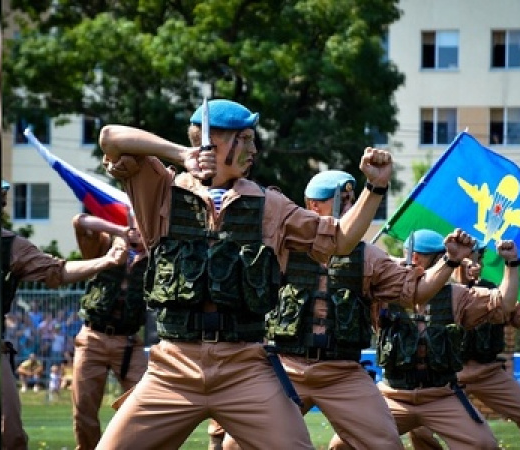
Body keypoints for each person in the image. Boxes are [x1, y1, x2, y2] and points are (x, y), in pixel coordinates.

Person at [95, 98, 393, 449]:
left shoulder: (271, 204)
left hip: (245, 367)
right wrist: (181, 154)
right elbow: (110, 137)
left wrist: (375, 189)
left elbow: (340, 240)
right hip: (172, 367)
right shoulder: (160, 188)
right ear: (213, 141)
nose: (254, 148)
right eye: (246, 138)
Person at [222, 170, 477, 450]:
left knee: (386, 444)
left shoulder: (368, 254)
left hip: (342, 372)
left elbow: (415, 291)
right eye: (341, 200)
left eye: (352, 199)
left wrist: (450, 262)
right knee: (234, 445)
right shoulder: (283, 245)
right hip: (286, 366)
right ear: (313, 205)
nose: (350, 205)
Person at [329, 229, 520, 450]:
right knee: (340, 445)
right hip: (394, 395)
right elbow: (357, 268)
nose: (444, 261)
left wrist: (512, 263)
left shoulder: (456, 295)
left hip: (441, 395)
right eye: (439, 256)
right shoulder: (383, 293)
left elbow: (505, 303)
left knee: (483, 444)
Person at [1, 181, 127, 449]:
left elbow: (56, 271)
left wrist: (107, 261)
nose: (2, 203)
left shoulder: (10, 246)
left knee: (10, 436)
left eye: (2, 199)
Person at [407, 246, 520, 450]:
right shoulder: (433, 293)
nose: (472, 263)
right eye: (466, 258)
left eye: (477, 257)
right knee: (419, 426)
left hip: (488, 373)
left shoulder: (496, 295)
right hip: (446, 376)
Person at [70, 213, 150, 449]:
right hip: (93, 338)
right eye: (135, 225)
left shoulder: (157, 257)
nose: (139, 231)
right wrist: (119, 232)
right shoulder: (104, 245)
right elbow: (79, 221)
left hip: (128, 343)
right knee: (84, 409)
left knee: (144, 402)